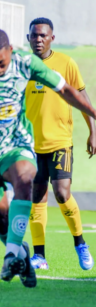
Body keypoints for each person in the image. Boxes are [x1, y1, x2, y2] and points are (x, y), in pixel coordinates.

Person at [0, 28, 96, 288]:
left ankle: (13, 255)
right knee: (1, 219)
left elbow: (65, 89)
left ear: (11, 50)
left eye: (1, 63)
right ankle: (23, 257)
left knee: (27, 179)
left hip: (15, 144)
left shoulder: (27, 64)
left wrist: (94, 116)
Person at [25, 17, 96, 271]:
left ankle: (80, 244)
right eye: (34, 35)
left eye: (43, 35)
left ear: (52, 38)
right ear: (28, 38)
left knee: (62, 192)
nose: (39, 39)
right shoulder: (22, 66)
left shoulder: (66, 63)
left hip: (60, 141)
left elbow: (82, 97)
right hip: (30, 145)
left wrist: (93, 131)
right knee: (37, 196)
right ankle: (39, 256)